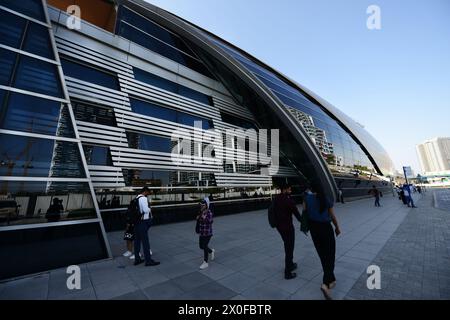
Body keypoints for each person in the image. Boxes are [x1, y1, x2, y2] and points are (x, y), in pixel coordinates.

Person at [303, 182, 341, 300]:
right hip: (326, 228)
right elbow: (332, 216)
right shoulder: (325, 198)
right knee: (330, 255)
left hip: (314, 230)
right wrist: (337, 227)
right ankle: (325, 284)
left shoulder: (306, 198)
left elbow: (305, 213)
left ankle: (331, 280)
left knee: (323, 255)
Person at [273, 183, 302, 280]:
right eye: (289, 190)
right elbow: (297, 214)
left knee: (287, 245)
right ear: (285, 190)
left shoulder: (276, 198)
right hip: (288, 227)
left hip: (279, 227)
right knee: (289, 248)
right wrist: (305, 222)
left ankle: (291, 264)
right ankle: (288, 272)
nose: (290, 191)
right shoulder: (288, 200)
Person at [133, 187, 160, 266]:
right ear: (145, 192)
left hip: (137, 221)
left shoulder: (136, 198)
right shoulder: (143, 198)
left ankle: (137, 259)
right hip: (143, 222)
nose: (149, 194)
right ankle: (148, 261)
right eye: (148, 192)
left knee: (137, 241)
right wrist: (150, 208)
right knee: (145, 242)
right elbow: (145, 210)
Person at [197, 199, 214, 270]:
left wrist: (205, 218)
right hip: (202, 232)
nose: (202, 206)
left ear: (206, 205)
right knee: (201, 246)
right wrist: (198, 218)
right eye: (201, 204)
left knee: (204, 246)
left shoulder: (209, 213)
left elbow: (211, 221)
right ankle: (211, 251)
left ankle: (205, 262)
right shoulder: (200, 212)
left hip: (207, 233)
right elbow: (199, 221)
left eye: (203, 205)